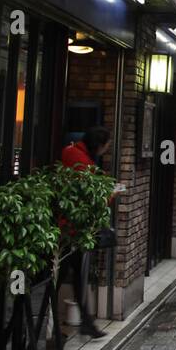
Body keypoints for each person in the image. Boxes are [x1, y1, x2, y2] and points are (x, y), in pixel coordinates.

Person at [60, 126, 116, 338]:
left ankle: (85, 322)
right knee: (72, 275)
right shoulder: (84, 164)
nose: (106, 150)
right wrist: (111, 193)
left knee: (73, 276)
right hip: (74, 229)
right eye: (106, 146)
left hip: (67, 226)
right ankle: (57, 323)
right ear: (98, 145)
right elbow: (95, 199)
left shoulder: (70, 152)